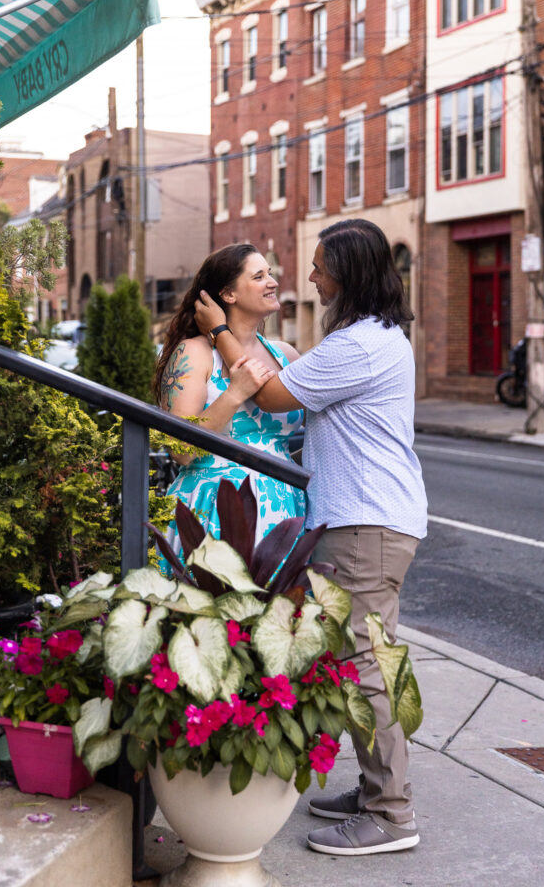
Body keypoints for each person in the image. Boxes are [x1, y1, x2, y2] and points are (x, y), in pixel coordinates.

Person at [195, 218, 427, 857]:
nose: (311, 275)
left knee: (366, 666)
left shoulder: (360, 344)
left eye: (321, 264)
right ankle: (380, 788)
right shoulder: (371, 337)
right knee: (369, 662)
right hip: (369, 521)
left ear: (347, 273)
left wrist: (217, 329)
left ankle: (390, 813)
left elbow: (268, 396)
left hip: (365, 524)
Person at [154, 243, 306, 559]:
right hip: (216, 506)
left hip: (285, 509)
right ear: (229, 295)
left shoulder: (286, 356)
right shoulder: (194, 353)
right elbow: (180, 451)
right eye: (259, 276)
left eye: (270, 273)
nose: (272, 282)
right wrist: (234, 393)